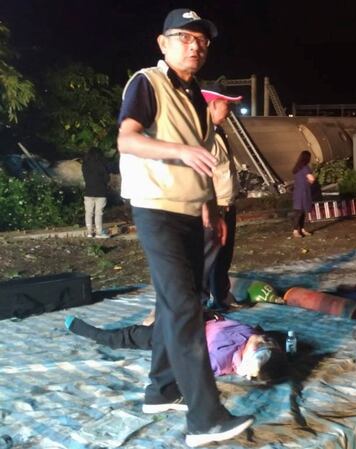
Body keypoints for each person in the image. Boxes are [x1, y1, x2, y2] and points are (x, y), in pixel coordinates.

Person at [116, 8, 253, 445]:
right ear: (163, 43)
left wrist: (211, 207)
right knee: (184, 309)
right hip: (157, 209)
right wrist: (179, 151)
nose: (195, 46)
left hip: (191, 211)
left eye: (202, 41)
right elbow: (127, 138)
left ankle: (161, 389)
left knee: (181, 301)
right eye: (185, 38)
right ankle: (205, 419)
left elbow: (202, 159)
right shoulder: (147, 83)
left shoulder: (195, 95)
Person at [64, 315, 285, 380]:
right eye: (269, 341)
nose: (265, 339)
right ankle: (155, 317)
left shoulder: (222, 360)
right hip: (198, 317)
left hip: (175, 336)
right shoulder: (252, 335)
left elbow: (189, 367)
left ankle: (89, 332)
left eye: (262, 344)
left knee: (131, 335)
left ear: (249, 359)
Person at [200, 84, 243, 310]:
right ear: (213, 104)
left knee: (223, 256)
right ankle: (202, 305)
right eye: (228, 104)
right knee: (210, 257)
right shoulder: (203, 135)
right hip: (214, 207)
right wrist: (209, 209)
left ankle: (220, 296)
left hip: (227, 204)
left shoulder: (219, 132)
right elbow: (200, 175)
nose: (230, 110)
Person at [82, 147, 110, 238]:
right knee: (99, 213)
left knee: (88, 213)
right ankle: (99, 233)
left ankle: (89, 232)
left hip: (88, 191)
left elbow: (85, 177)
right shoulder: (102, 164)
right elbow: (107, 178)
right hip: (101, 192)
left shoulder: (85, 165)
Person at [291, 150, 315, 238]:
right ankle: (296, 231)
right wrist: (309, 181)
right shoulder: (305, 168)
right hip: (303, 192)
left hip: (297, 192)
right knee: (299, 212)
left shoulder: (297, 168)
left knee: (300, 211)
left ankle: (301, 229)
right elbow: (311, 179)